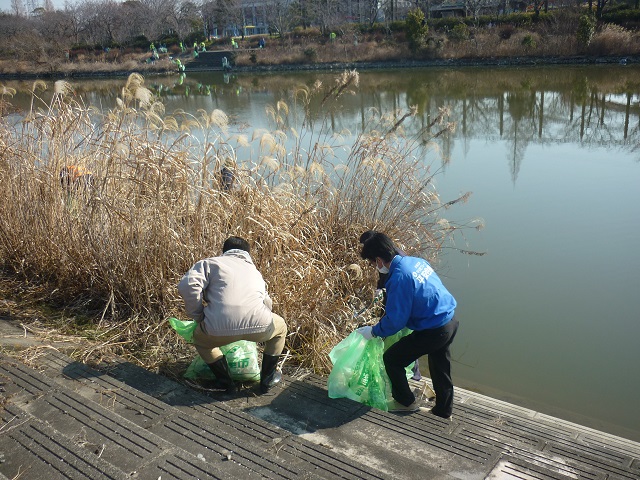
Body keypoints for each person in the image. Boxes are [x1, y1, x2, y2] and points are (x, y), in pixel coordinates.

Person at [358, 232, 459, 418]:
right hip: (449, 320)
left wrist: (373, 331)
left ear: (379, 260)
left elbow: (396, 320)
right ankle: (444, 411)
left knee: (392, 359)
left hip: (434, 329)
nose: (374, 267)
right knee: (440, 367)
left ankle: (406, 403)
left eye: (373, 263)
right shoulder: (414, 261)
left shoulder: (399, 277)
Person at [177, 236, 287, 394]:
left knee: (201, 342)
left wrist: (198, 315)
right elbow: (267, 303)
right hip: (260, 326)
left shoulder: (210, 263)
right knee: (281, 328)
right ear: (247, 254)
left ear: (225, 251)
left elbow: (188, 285)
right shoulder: (254, 271)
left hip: (217, 328)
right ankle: (267, 379)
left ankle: (226, 383)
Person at [359, 230, 422, 381]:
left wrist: (375, 331)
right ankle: (412, 373)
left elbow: (396, 315)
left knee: (399, 345)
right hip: (427, 315)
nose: (371, 264)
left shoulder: (395, 269)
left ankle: (412, 377)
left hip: (414, 313)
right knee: (406, 340)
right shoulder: (392, 257)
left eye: (372, 261)